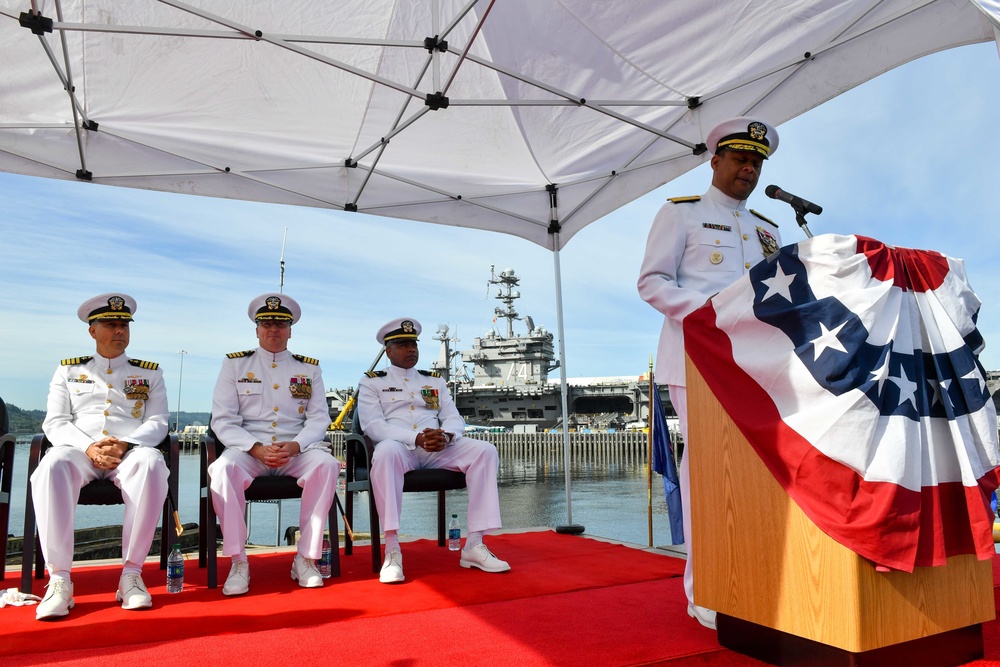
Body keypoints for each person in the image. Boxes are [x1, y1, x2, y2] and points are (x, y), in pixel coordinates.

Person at [637, 117, 781, 630]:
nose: (749, 168)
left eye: (757, 161)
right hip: (697, 358)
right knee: (708, 472)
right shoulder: (681, 214)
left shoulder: (769, 229)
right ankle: (707, 593)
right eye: (740, 158)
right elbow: (651, 281)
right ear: (715, 160)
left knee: (756, 473)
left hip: (757, 365)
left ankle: (755, 577)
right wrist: (707, 312)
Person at [32, 293, 169, 620]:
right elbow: (55, 422)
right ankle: (60, 580)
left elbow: (158, 421)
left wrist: (124, 444)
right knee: (52, 463)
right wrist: (89, 447)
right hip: (81, 451)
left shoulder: (150, 374)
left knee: (152, 463)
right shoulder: (68, 371)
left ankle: (131, 574)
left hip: (129, 452)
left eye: (124, 324)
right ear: (92, 331)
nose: (119, 330)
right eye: (111, 324)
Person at [357, 317, 509, 583]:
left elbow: (453, 416)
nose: (411, 349)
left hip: (437, 448)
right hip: (401, 449)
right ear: (388, 351)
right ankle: (392, 549)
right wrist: (415, 438)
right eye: (403, 344)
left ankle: (474, 544)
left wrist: (447, 436)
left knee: (485, 450)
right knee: (385, 452)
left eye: (413, 344)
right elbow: (373, 426)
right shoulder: (372, 382)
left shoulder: (434, 381)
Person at [209, 293, 339, 596]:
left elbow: (319, 419)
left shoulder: (309, 369)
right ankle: (238, 561)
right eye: (267, 323)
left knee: (328, 464)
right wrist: (255, 448)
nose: (274, 329)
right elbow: (223, 420)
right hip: (249, 451)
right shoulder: (235, 365)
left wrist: (295, 446)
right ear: (256, 330)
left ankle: (305, 557)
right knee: (222, 470)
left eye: (281, 324)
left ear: (290, 330)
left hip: (296, 451)